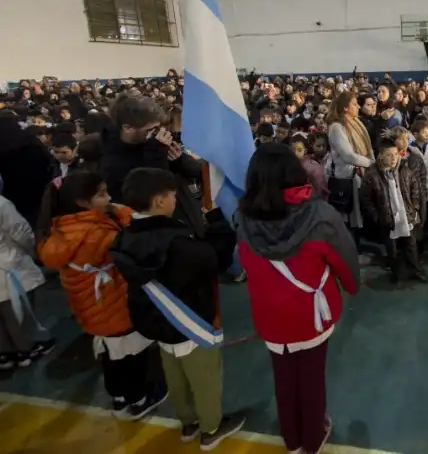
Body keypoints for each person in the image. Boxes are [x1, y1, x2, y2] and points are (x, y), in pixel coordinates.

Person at [235, 144, 359, 454]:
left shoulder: (242, 218)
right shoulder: (321, 216)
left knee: (283, 379)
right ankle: (313, 438)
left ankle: (292, 440)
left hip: (270, 317)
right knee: (312, 378)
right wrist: (351, 286)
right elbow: (345, 262)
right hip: (311, 314)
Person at [111, 168, 244, 450]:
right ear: (159, 200)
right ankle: (212, 427)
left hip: (156, 319)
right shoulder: (177, 242)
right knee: (204, 377)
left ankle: (188, 422)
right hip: (189, 319)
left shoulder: (125, 238)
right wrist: (218, 222)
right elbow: (213, 261)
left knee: (174, 374)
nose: (176, 200)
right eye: (172, 195)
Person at [37, 171, 160, 418]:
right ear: (83, 202)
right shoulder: (99, 232)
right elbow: (138, 233)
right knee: (132, 355)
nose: (109, 198)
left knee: (109, 354)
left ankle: (118, 398)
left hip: (90, 308)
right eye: (102, 194)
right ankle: (138, 400)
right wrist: (121, 211)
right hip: (117, 303)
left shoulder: (60, 231)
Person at [102, 94, 206, 238]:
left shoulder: (155, 144)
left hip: (186, 216)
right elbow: (151, 194)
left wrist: (178, 160)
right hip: (154, 233)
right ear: (128, 128)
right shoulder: (110, 159)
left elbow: (197, 171)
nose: (159, 134)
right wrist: (156, 155)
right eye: (151, 130)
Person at [0, 179, 53, 370]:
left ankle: (4, 353)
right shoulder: (2, 205)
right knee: (16, 311)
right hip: (9, 266)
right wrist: (31, 252)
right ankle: (25, 350)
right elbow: (21, 232)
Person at [359, 138, 428, 284]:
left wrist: (414, 207)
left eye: (396, 154)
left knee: (411, 244)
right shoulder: (372, 175)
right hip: (387, 218)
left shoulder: (404, 168)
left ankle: (415, 270)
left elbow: (415, 187)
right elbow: (366, 200)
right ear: (380, 155)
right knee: (392, 248)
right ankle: (397, 273)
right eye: (389, 155)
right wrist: (377, 217)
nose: (393, 158)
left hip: (405, 214)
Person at [327, 92, 374, 251]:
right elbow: (348, 156)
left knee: (358, 214)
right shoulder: (337, 127)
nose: (358, 106)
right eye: (355, 104)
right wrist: (371, 164)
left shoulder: (356, 123)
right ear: (345, 107)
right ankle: (350, 249)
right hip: (347, 177)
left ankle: (357, 245)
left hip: (360, 175)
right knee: (349, 216)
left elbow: (367, 148)